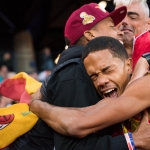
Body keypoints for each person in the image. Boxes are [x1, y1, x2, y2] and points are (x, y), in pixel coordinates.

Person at [10, 3, 131, 150]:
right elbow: (71, 147)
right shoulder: (75, 71)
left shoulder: (80, 68)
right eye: (112, 27)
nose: (120, 32)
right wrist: (131, 141)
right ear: (90, 35)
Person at [29, 36, 150, 150]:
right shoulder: (112, 103)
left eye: (108, 70)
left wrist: (37, 105)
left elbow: (77, 124)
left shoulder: (145, 85)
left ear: (128, 65)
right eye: (94, 77)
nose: (101, 81)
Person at [114, 0, 150, 69]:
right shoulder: (104, 52)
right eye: (119, 17)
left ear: (148, 24)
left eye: (133, 18)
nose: (124, 22)